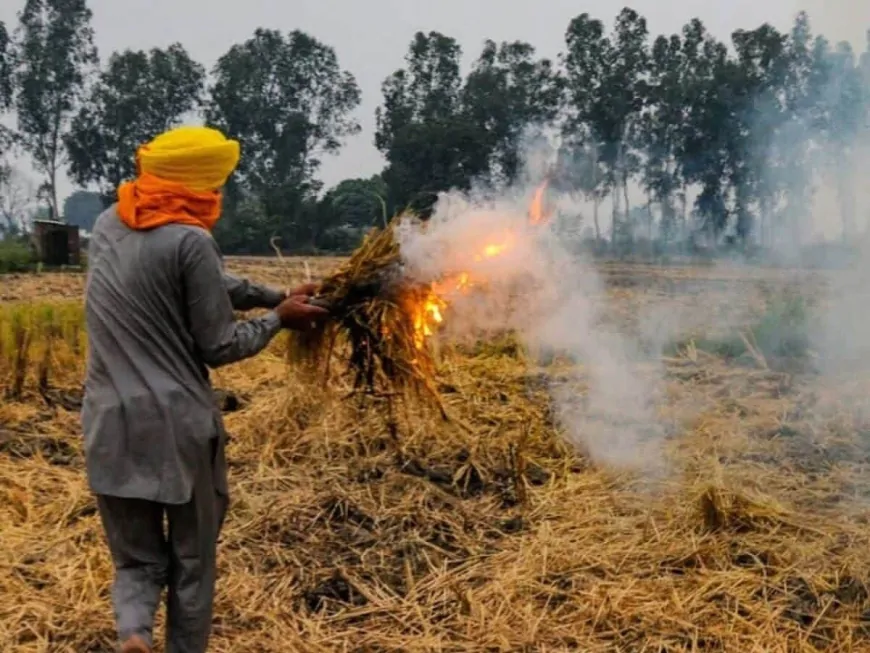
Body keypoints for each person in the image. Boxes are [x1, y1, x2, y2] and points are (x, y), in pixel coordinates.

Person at [81, 125, 329, 653]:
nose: (218, 194)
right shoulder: (191, 240)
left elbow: (207, 284)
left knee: (135, 561)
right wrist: (279, 319)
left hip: (107, 424)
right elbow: (219, 344)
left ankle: (134, 634)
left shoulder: (108, 223)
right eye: (214, 185)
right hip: (176, 430)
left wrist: (276, 293)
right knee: (192, 562)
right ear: (196, 184)